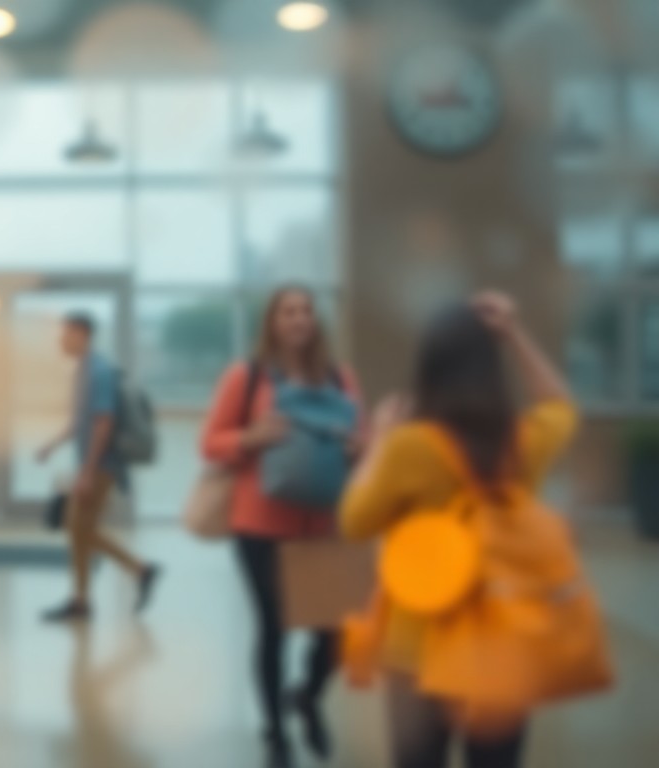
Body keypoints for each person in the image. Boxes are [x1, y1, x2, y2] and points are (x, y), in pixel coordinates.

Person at [339, 291, 575, 768]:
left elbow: (354, 520)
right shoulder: (522, 441)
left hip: (418, 646)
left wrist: (379, 440)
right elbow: (561, 407)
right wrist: (514, 334)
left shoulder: (409, 447)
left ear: (428, 368)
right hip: (502, 643)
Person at [200, 286, 364, 768]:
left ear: (316, 321)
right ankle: (275, 735)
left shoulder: (341, 377)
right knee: (273, 630)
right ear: (272, 322)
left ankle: (307, 697)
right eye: (288, 311)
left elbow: (361, 435)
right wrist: (251, 438)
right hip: (260, 526)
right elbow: (210, 442)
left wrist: (361, 448)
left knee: (334, 634)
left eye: (306, 310)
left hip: (324, 527)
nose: (298, 319)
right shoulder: (247, 376)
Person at [37, 312, 161, 624]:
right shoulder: (84, 370)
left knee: (79, 528)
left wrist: (88, 472)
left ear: (82, 334)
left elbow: (103, 423)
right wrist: (52, 444)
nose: (61, 341)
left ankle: (139, 571)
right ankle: (83, 599)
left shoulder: (99, 371)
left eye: (65, 334)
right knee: (78, 530)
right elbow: (81, 422)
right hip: (93, 464)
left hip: (102, 466)